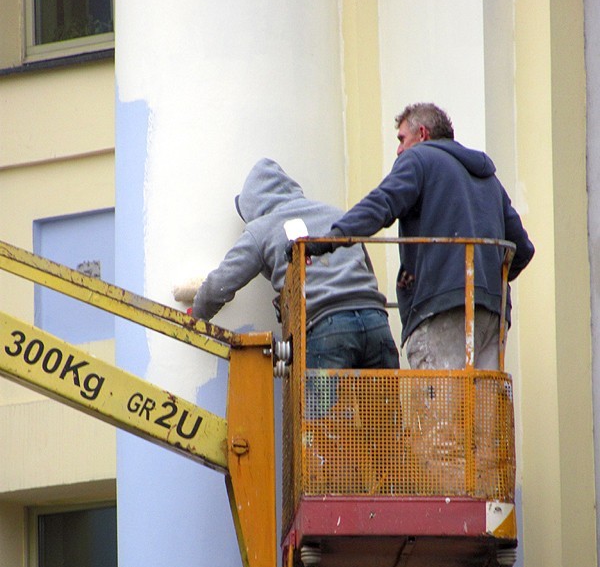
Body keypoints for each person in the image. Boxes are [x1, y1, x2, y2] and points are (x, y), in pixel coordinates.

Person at [297, 103, 535, 369]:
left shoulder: (419, 158)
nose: (399, 150)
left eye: (401, 139)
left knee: (438, 407)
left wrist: (331, 239)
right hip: (493, 313)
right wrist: (483, 277)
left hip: (441, 309)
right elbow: (522, 249)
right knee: (480, 409)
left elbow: (382, 203)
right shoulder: (490, 180)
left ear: (422, 133)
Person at [174, 157, 399, 370]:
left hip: (327, 329)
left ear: (252, 205)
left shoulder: (261, 229)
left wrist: (198, 316)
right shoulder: (335, 215)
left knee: (321, 412)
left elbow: (219, 285)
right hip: (376, 321)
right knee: (383, 410)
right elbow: (368, 269)